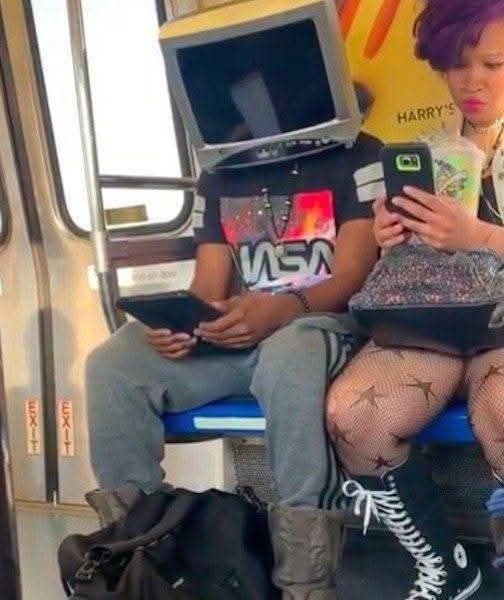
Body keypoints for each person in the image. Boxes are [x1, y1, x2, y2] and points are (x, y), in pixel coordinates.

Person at [85, 121, 382, 597]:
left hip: (322, 324)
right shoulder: (220, 169)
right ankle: (141, 553)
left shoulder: (358, 153)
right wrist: (186, 325)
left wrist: (283, 310)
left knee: (289, 353)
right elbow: (209, 286)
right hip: (241, 332)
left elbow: (354, 276)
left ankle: (306, 585)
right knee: (112, 364)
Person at [326, 2, 504, 599]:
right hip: (437, 319)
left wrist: (478, 236)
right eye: (457, 65)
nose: (472, 82)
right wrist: (390, 238)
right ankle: (447, 567)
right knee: (354, 414)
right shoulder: (429, 153)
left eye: (493, 64)